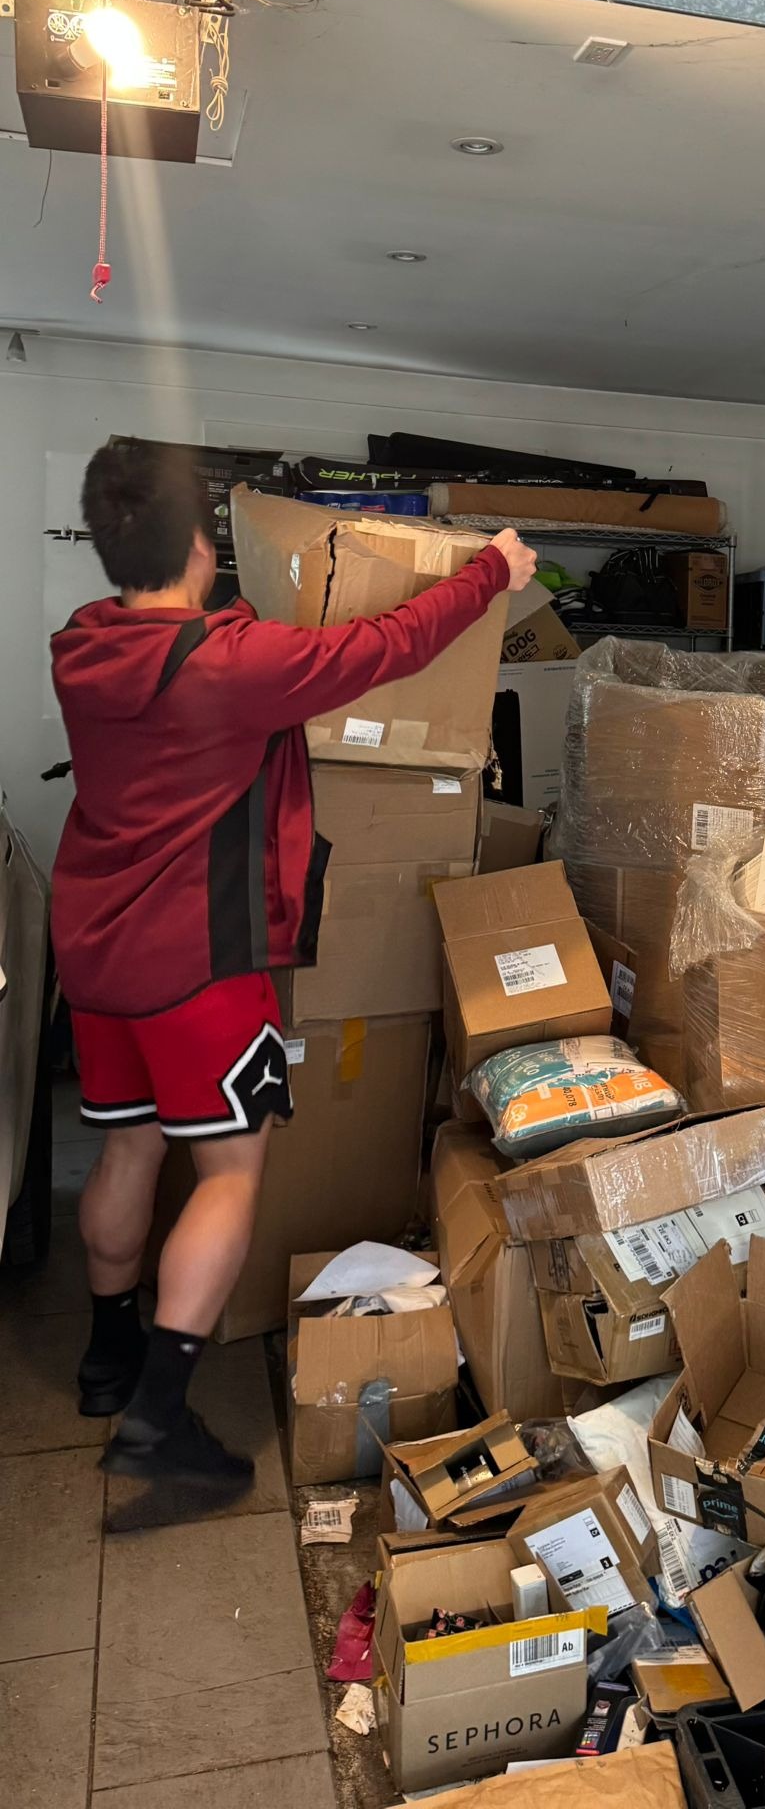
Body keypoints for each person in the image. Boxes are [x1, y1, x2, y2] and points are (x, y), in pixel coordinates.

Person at [49, 440, 536, 1489]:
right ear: (197, 543)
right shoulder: (230, 665)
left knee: (127, 1152)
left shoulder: (81, 645)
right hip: (201, 960)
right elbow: (390, 643)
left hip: (96, 951)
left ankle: (105, 1352)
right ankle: (158, 1418)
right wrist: (493, 567)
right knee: (230, 1173)